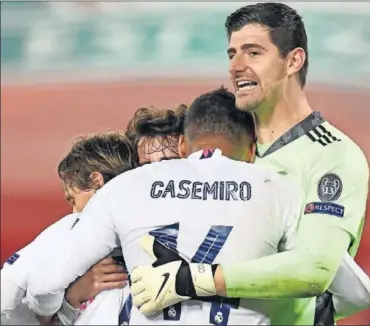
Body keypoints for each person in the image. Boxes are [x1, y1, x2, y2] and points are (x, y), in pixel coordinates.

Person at [131, 3, 370, 325]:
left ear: (293, 61)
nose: (236, 66)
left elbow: (314, 269)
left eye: (253, 53)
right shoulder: (224, 139)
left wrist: (194, 279)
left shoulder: (331, 156)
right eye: (232, 54)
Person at [26, 88, 306, 325]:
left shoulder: (122, 195)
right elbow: (331, 280)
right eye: (148, 168)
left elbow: (41, 289)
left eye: (170, 164)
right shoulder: (275, 192)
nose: (162, 178)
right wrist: (74, 298)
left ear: (185, 149)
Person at [1, 132, 138, 325]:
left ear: (97, 182)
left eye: (73, 199)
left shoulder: (73, 226)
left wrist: (54, 313)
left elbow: (6, 298)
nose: (74, 211)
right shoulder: (159, 224)